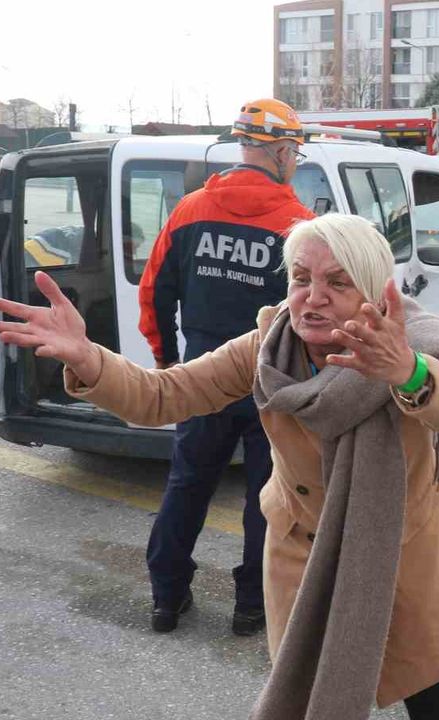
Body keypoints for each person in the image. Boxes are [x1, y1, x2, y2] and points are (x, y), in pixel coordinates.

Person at [0, 213, 439, 719]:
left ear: (373, 293)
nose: (313, 297)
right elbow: (164, 395)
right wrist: (88, 357)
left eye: (338, 282)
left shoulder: (406, 344)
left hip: (400, 555)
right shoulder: (269, 347)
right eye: (301, 279)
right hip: (302, 557)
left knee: (435, 693)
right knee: (307, 697)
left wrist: (406, 371)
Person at [136, 98, 315, 635]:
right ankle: (252, 606)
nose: (295, 161)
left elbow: (154, 292)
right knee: (269, 495)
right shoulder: (300, 227)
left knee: (187, 484)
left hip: (202, 376)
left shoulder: (189, 211)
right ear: (280, 151)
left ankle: (166, 598)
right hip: (271, 382)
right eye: (295, 152)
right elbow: (313, 313)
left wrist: (168, 364)